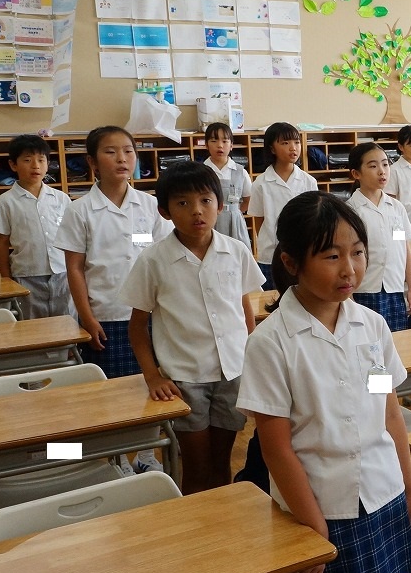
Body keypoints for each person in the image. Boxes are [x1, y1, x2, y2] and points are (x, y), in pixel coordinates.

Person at [237, 191, 411, 573]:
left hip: (381, 492)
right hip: (316, 503)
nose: (349, 268)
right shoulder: (270, 342)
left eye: (357, 252)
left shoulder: (373, 326)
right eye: (331, 255)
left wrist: (410, 488)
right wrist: (314, 527)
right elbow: (276, 448)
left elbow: (391, 416)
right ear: (292, 262)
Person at [120, 162, 263, 494]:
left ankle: (222, 527)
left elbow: (244, 310)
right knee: (197, 469)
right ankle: (199, 530)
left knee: (222, 462)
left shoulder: (236, 251)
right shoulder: (154, 260)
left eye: (205, 200)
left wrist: (255, 358)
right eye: (182, 203)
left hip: (233, 372)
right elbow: (138, 327)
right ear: (165, 211)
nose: (196, 211)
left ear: (220, 204)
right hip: (185, 378)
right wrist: (153, 376)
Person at [55, 125, 173, 473]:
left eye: (128, 151)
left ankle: (149, 455)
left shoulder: (150, 206)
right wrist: (87, 317)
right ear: (92, 161)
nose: (122, 158)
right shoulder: (81, 211)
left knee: (154, 387)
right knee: (114, 391)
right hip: (106, 314)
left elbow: (164, 254)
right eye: (111, 151)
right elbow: (74, 269)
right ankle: (120, 457)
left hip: (151, 313)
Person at [0, 133, 71, 319]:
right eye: (27, 160)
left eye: (41, 160)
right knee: (32, 326)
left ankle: (66, 350)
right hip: (26, 274)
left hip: (62, 273)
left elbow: (73, 237)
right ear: (13, 165)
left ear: (47, 164)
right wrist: (5, 278)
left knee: (67, 324)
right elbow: (1, 242)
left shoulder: (61, 199)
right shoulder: (6, 201)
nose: (35, 166)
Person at [348, 142, 411, 331]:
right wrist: (349, 295)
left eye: (385, 164)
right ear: (356, 174)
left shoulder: (396, 208)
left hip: (394, 289)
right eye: (373, 166)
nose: (382, 171)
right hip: (365, 290)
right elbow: (347, 257)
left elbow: (404, 247)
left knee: (397, 345)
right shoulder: (351, 211)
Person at [247, 121, 317, 289]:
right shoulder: (261, 183)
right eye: (285, 143)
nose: (293, 148)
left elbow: (314, 217)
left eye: (296, 142)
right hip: (270, 256)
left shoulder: (309, 181)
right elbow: (258, 221)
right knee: (273, 300)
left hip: (302, 254)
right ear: (272, 149)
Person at [201, 121, 252, 249]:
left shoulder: (240, 171)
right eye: (214, 141)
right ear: (206, 145)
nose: (220, 145)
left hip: (235, 222)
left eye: (225, 141)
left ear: (231, 145)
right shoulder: (201, 171)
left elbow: (248, 199)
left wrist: (234, 211)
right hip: (210, 221)